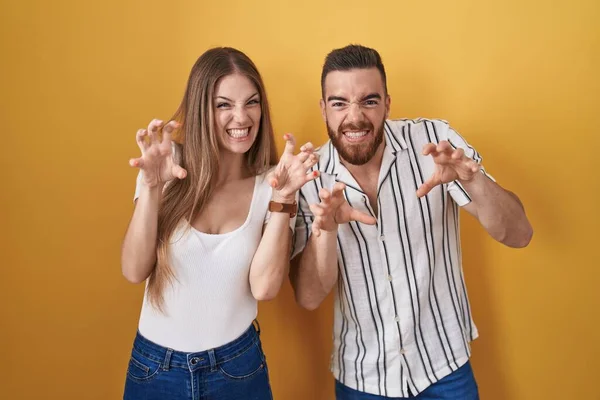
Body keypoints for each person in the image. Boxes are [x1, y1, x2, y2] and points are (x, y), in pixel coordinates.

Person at [290, 44, 533, 400]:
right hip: (363, 377)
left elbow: (519, 234)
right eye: (340, 103)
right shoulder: (308, 178)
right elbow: (309, 297)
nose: (354, 117)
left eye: (369, 101)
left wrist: (473, 181)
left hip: (445, 366)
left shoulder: (435, 143)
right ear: (323, 108)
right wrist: (325, 232)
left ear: (388, 103)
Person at [120, 47, 319, 400]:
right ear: (201, 110)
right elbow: (134, 270)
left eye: (251, 102)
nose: (241, 118)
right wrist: (151, 188)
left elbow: (265, 289)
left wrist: (284, 199)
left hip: (237, 368)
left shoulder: (273, 183)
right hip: (155, 370)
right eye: (223, 104)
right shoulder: (168, 162)